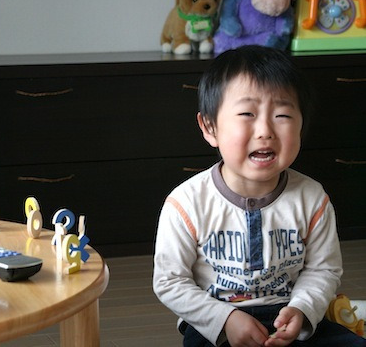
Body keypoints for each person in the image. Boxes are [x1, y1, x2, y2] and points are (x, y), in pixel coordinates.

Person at [152, 45, 366, 347]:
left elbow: (324, 269)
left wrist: (302, 310)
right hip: (215, 323)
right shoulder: (186, 203)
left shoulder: (312, 198)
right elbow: (169, 281)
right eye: (247, 114)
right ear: (209, 126)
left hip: (290, 315)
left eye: (282, 114)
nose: (265, 130)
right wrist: (225, 320)